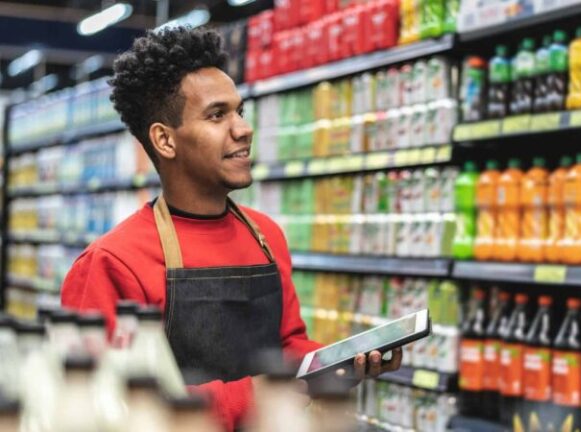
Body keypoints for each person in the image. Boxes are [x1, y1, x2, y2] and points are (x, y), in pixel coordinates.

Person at [60, 26, 402, 431]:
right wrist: (250, 394)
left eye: (240, 111)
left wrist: (340, 361)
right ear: (165, 141)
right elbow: (105, 406)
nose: (243, 128)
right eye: (217, 115)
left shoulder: (266, 236)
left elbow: (287, 344)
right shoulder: (112, 262)